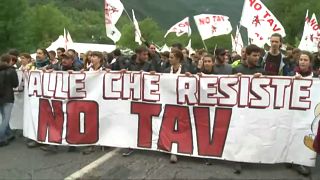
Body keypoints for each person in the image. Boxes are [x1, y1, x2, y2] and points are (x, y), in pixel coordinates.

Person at [0, 54, 19, 146]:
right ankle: (1, 138)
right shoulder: (11, 70)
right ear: (9, 61)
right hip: (7, 97)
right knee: (5, 119)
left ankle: (9, 134)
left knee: (3, 117)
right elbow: (16, 84)